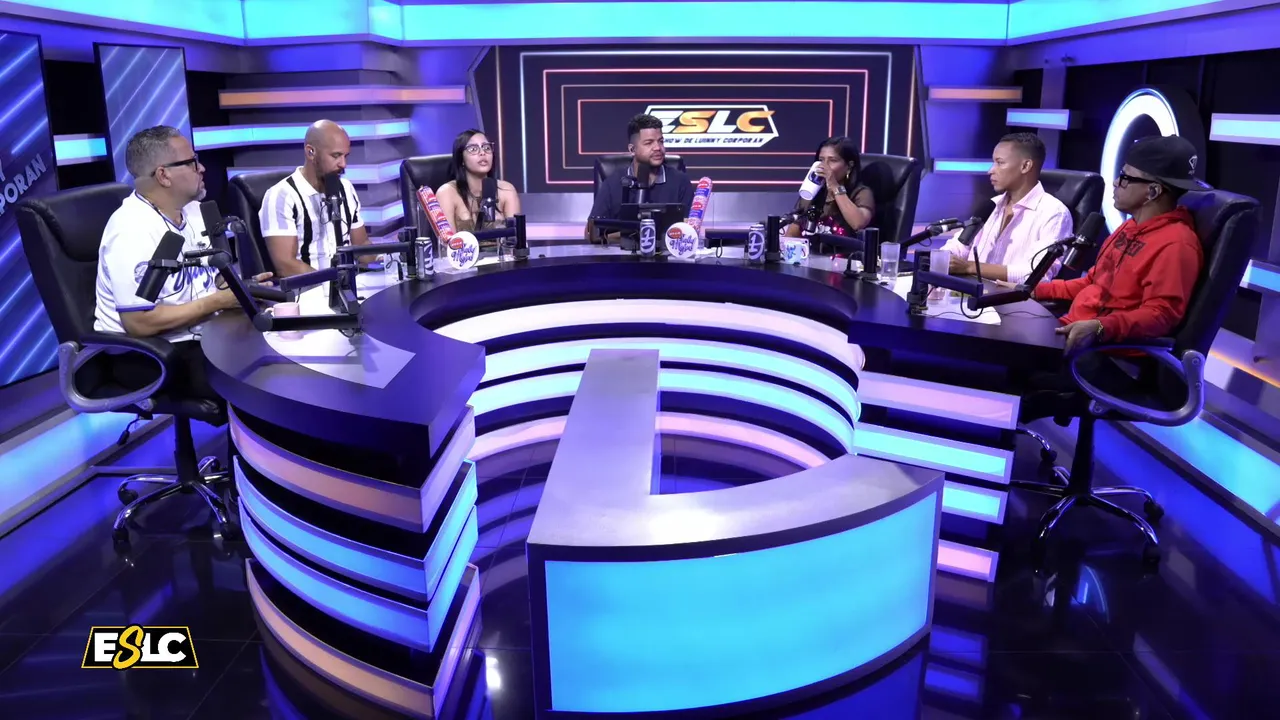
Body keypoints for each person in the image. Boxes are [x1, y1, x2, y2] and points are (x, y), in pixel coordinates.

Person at [1020, 135, 1206, 421]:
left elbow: (1162, 315)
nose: (1116, 183)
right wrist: (1032, 290)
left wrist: (1099, 327)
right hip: (1075, 337)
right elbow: (1093, 283)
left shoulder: (1177, 244)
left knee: (1004, 370)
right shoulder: (1129, 228)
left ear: (1153, 191)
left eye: (1125, 177)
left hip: (1110, 356)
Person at [94, 126, 271, 400]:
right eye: (192, 162)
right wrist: (217, 302)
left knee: (279, 356)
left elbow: (213, 279)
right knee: (259, 386)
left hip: (201, 336)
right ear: (163, 175)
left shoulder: (195, 211)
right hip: (151, 354)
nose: (202, 168)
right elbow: (139, 323)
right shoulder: (131, 229)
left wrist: (241, 288)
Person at [940, 132, 1073, 283]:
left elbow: (1037, 275)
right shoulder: (992, 205)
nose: (990, 170)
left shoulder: (1054, 213)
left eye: (1000, 163)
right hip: (970, 291)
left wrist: (970, 267)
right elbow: (958, 247)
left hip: (1011, 297)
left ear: (1025, 166)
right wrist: (943, 258)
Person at [259, 119, 373, 277]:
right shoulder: (281, 196)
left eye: (346, 156)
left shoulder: (346, 188)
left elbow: (361, 245)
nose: (343, 164)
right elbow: (286, 265)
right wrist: (332, 283)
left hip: (351, 283)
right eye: (336, 156)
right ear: (310, 152)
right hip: (309, 288)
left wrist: (388, 261)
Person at [585, 113, 695, 241]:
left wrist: (641, 233)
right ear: (632, 150)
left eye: (661, 141)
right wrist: (639, 233)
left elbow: (689, 229)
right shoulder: (612, 183)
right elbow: (591, 234)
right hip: (620, 253)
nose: (658, 148)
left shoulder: (681, 181)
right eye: (649, 143)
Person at [785, 136, 875, 239]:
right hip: (811, 249)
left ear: (849, 166)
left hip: (845, 249)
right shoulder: (814, 191)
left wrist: (834, 186)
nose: (824, 166)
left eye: (833, 160)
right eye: (821, 160)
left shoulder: (861, 192)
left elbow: (858, 223)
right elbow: (792, 233)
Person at [435, 129, 520, 234]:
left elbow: (516, 238)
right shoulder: (446, 193)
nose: (482, 153)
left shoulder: (507, 190)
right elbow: (447, 242)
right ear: (461, 159)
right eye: (473, 149)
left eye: (487, 147)